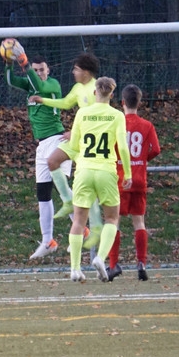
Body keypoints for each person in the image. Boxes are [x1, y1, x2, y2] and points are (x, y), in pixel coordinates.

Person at [65, 76, 131, 283]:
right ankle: (100, 258)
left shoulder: (82, 113)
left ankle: (75, 268)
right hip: (106, 171)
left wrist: (81, 160)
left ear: (95, 92)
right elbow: (122, 147)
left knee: (78, 220)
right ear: (112, 95)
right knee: (111, 218)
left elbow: (73, 146)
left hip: (84, 170)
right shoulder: (117, 115)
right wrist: (128, 173)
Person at [3, 50, 68, 260]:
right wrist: (8, 63)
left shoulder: (52, 85)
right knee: (43, 193)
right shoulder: (31, 84)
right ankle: (48, 241)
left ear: (48, 70)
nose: (39, 73)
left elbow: (40, 87)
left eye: (42, 69)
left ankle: (84, 228)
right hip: (42, 145)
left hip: (57, 140)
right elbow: (11, 81)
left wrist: (24, 62)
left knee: (61, 187)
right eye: (36, 70)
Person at [37, 52, 104, 252]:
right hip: (76, 139)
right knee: (52, 161)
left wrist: (75, 131)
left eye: (76, 69)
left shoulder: (96, 89)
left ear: (86, 72)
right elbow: (66, 103)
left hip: (90, 141)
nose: (73, 72)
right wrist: (43, 100)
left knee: (85, 185)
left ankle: (91, 228)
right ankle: (68, 202)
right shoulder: (77, 88)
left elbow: (99, 118)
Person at [108, 84, 161, 281]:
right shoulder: (147, 125)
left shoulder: (116, 123)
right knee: (139, 222)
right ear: (139, 103)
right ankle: (141, 263)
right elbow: (156, 149)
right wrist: (141, 160)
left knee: (113, 221)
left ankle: (113, 264)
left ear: (122, 102)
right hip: (139, 180)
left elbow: (110, 148)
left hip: (120, 180)